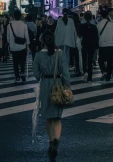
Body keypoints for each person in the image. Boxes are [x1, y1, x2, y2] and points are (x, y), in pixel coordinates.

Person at [32, 31, 70, 162]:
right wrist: (67, 87)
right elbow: (65, 73)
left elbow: (37, 75)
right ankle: (56, 142)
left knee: (48, 118)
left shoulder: (38, 55)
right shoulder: (60, 54)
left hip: (45, 87)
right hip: (58, 86)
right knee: (57, 118)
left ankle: (50, 141)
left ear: (42, 41)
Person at [7, 9, 30, 82]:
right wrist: (28, 44)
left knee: (15, 62)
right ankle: (22, 73)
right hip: (22, 46)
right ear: (20, 16)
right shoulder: (24, 25)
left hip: (13, 47)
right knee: (22, 62)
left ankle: (17, 76)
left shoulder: (9, 25)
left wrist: (10, 44)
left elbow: (8, 37)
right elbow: (26, 36)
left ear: (13, 16)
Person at [97, 9, 113, 82]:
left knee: (100, 60)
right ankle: (108, 76)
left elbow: (97, 36)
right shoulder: (111, 24)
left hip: (102, 45)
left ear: (101, 16)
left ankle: (103, 71)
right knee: (110, 61)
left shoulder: (98, 25)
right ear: (107, 15)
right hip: (110, 45)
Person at [79, 11, 98, 82]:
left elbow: (80, 35)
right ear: (91, 18)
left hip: (84, 44)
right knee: (90, 61)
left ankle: (85, 72)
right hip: (92, 45)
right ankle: (90, 76)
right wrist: (96, 46)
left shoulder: (82, 26)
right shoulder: (94, 27)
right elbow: (96, 37)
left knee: (84, 60)